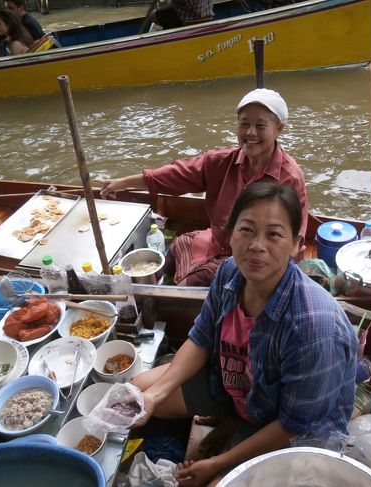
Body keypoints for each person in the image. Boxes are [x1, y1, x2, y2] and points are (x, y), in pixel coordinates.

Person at [131, 181, 358, 487]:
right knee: (135, 392)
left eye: (274, 234)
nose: (257, 245)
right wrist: (153, 397)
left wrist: (216, 464)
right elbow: (201, 339)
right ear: (231, 233)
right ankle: (233, 421)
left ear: (295, 244)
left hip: (290, 430)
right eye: (247, 230)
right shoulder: (229, 274)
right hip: (237, 389)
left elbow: (293, 424)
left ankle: (235, 434)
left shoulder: (313, 327)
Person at [97, 88, 308, 286]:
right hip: (216, 242)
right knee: (176, 247)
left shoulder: (289, 178)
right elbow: (173, 175)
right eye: (244, 124)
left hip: (251, 259)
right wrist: (121, 183)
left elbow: (292, 241)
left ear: (279, 129)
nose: (250, 133)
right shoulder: (219, 162)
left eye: (260, 126)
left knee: (185, 286)